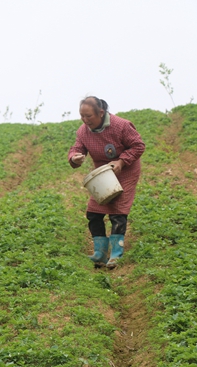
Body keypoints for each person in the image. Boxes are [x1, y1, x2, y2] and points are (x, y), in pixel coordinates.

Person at [68, 97, 145, 269]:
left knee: (118, 212)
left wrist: (121, 161)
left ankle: (116, 255)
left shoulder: (121, 126)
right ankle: (100, 253)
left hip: (125, 171)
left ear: (101, 113)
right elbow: (77, 148)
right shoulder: (83, 131)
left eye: (89, 116)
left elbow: (138, 146)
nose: (85, 120)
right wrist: (74, 157)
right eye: (82, 116)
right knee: (94, 212)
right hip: (103, 174)